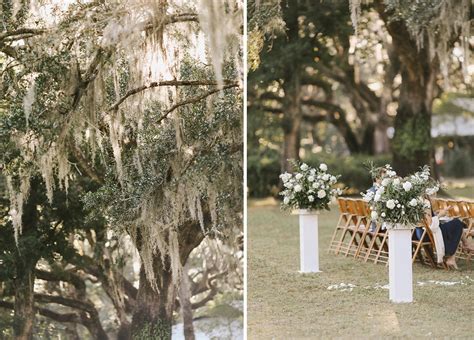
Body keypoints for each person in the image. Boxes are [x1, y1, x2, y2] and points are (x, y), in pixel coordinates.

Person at [424, 200, 474, 269]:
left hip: (427, 232)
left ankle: (464, 246)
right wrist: (440, 214)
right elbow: (432, 225)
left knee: (456, 223)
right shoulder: (425, 203)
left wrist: (440, 212)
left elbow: (429, 219)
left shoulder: (420, 202)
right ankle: (463, 247)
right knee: (457, 223)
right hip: (435, 233)